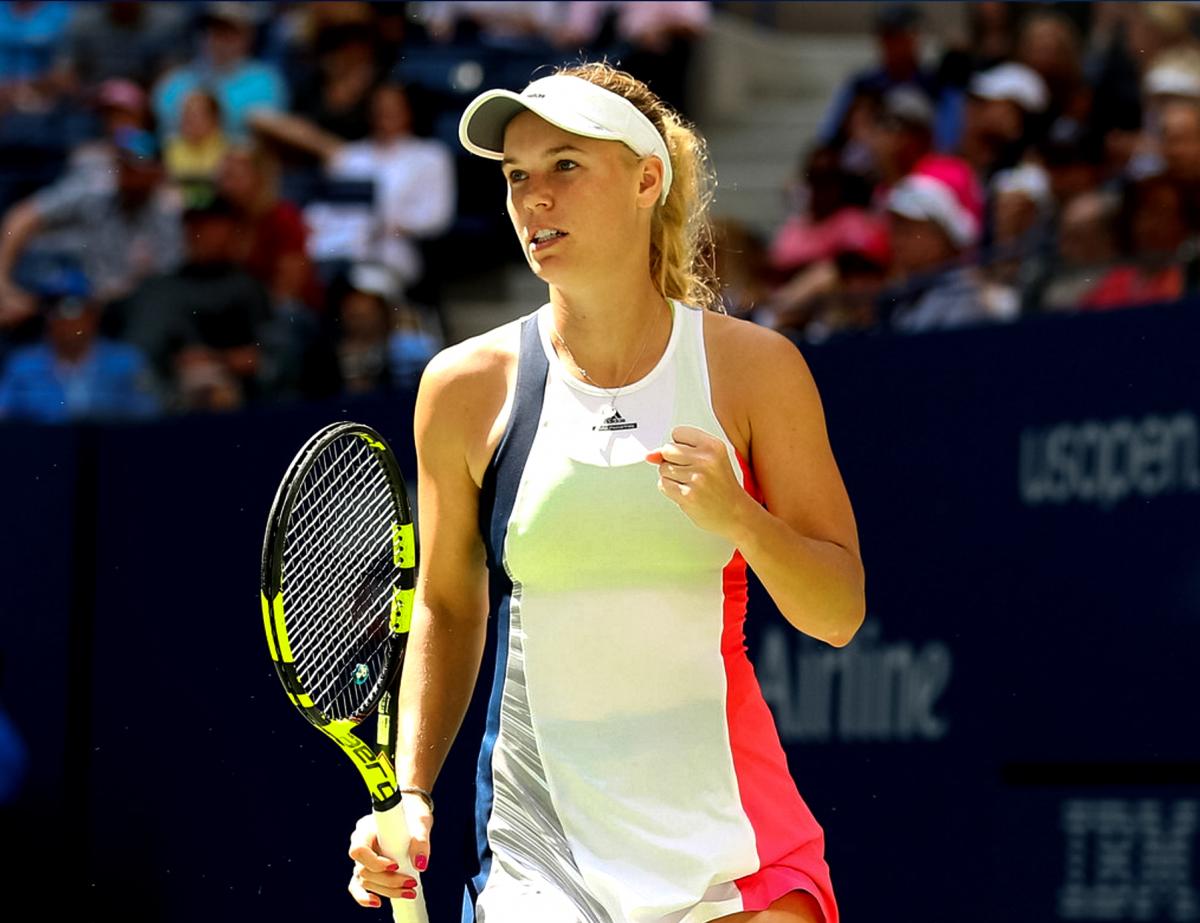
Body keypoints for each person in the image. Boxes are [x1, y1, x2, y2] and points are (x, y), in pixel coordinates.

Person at [344, 62, 864, 923]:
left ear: (646, 179)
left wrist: (741, 518)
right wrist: (413, 790)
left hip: (732, 846)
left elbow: (838, 613)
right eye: (516, 176)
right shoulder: (462, 387)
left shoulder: (756, 370)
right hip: (538, 852)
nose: (534, 198)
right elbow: (446, 604)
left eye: (565, 166)